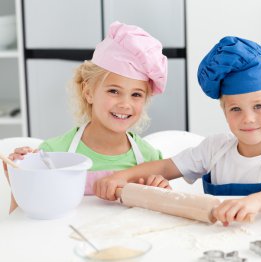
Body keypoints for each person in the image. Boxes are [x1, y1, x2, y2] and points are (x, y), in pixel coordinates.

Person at [93, 36, 261, 226]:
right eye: (235, 109)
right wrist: (121, 177)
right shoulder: (215, 149)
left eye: (258, 106)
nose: (248, 118)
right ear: (224, 111)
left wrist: (254, 203)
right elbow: (166, 167)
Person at [5, 22, 171, 212]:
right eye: (114, 91)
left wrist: (162, 194)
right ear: (88, 92)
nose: (125, 104)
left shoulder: (150, 158)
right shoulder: (53, 153)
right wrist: (19, 180)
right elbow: (23, 218)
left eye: (136, 95)